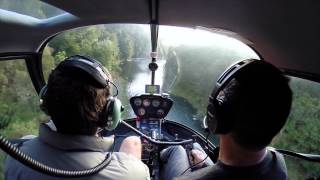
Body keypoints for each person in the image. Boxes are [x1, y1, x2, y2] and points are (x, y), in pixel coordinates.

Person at [5, 55, 150, 180]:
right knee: (134, 142)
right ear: (110, 111)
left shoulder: (17, 157)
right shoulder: (133, 173)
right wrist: (130, 158)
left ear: (46, 102)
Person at [161, 59, 292, 180]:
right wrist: (206, 166)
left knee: (176, 149)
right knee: (195, 147)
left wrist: (139, 164)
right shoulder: (278, 164)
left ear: (217, 117)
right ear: (277, 131)